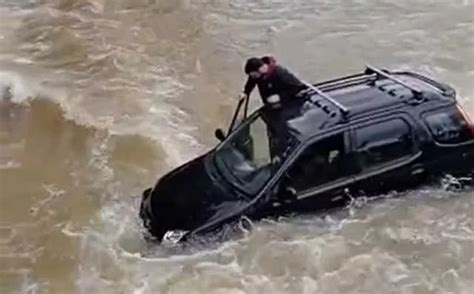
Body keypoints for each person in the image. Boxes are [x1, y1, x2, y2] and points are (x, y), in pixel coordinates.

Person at [240, 56, 306, 105]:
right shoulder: (257, 74)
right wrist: (245, 92)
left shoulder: (280, 73)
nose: (253, 77)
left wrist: (280, 97)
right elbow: (251, 81)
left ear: (260, 69)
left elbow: (298, 87)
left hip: (288, 103)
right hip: (271, 104)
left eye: (254, 75)